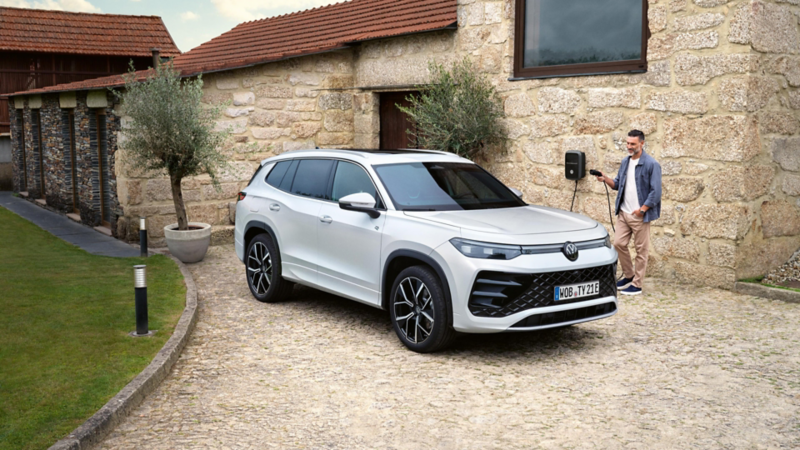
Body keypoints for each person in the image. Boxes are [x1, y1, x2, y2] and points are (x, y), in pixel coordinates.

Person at [594, 130, 661, 296]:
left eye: (632, 144)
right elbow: (617, 184)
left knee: (641, 251)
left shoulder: (651, 164)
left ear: (642, 144)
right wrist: (605, 179)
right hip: (623, 213)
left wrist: (642, 210)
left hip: (640, 215)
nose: (629, 146)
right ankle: (629, 275)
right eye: (628, 143)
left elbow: (656, 192)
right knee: (618, 244)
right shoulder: (625, 162)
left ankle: (637, 285)